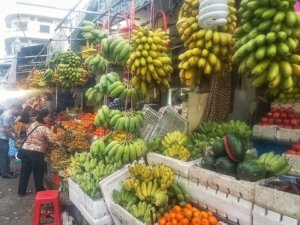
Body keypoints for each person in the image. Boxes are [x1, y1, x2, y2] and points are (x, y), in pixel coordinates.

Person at [18, 109, 53, 196]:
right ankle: (40, 192)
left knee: (24, 172)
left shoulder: (32, 124)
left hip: (25, 150)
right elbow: (53, 139)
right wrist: (52, 129)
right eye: (49, 117)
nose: (50, 119)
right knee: (38, 173)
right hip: (36, 152)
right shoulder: (44, 128)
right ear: (43, 117)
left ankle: (21, 191)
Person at [0, 102, 23, 178]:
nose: (18, 112)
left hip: (4, 138)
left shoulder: (10, 115)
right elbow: (6, 130)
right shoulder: (7, 115)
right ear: (14, 108)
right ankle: (5, 174)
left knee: (5, 156)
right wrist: (15, 139)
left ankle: (5, 171)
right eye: (18, 110)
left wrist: (16, 134)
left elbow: (11, 127)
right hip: (2, 138)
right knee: (4, 157)